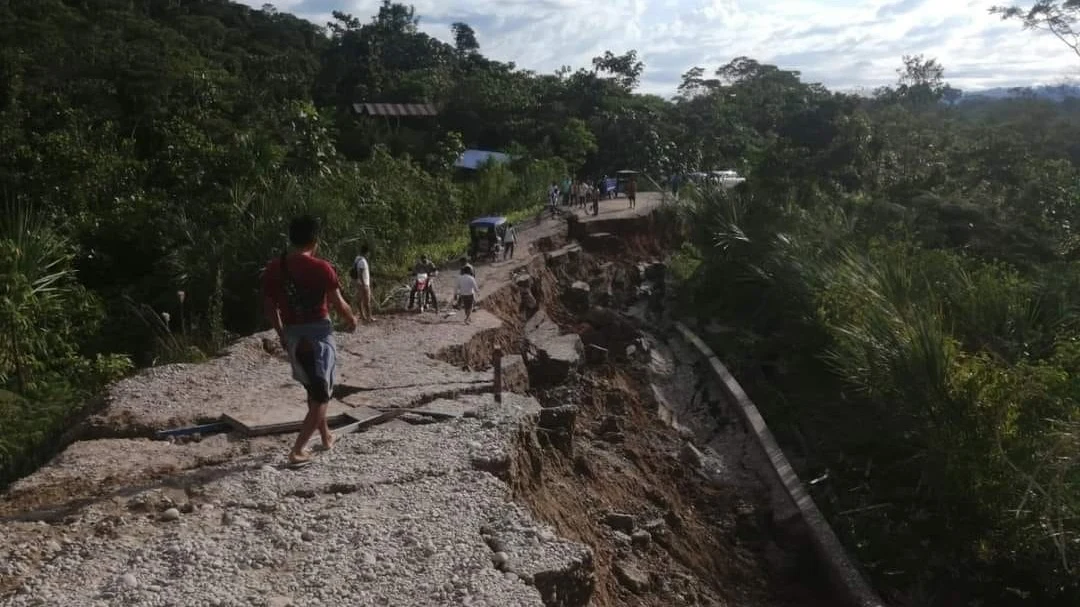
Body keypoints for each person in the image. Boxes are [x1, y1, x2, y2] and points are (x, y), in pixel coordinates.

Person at [262, 215, 357, 466]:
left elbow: (270, 307)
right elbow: (338, 304)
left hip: (293, 337)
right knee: (322, 397)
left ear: (292, 239)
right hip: (319, 339)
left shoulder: (275, 268)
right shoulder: (321, 268)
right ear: (315, 239)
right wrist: (352, 320)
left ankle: (326, 437)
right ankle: (297, 450)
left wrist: (282, 333)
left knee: (314, 390)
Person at [351, 244, 373, 323]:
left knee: (359, 300)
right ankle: (369, 317)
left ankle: (363, 316)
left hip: (358, 282)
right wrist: (364, 285)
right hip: (363, 284)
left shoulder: (357, 258)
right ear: (366, 252)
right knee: (367, 301)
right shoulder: (363, 261)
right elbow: (360, 273)